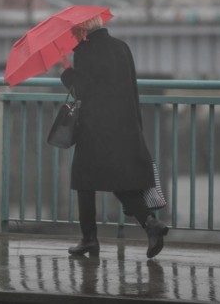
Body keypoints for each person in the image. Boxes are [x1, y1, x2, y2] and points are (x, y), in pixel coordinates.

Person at [59, 15, 168, 259]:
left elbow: (82, 92)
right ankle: (151, 223)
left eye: (75, 30)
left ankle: (89, 240)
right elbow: (132, 88)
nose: (74, 35)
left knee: (83, 181)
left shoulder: (84, 51)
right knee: (119, 181)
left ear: (84, 28)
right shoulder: (122, 47)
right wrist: (136, 126)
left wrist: (67, 71)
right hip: (125, 125)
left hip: (95, 130)